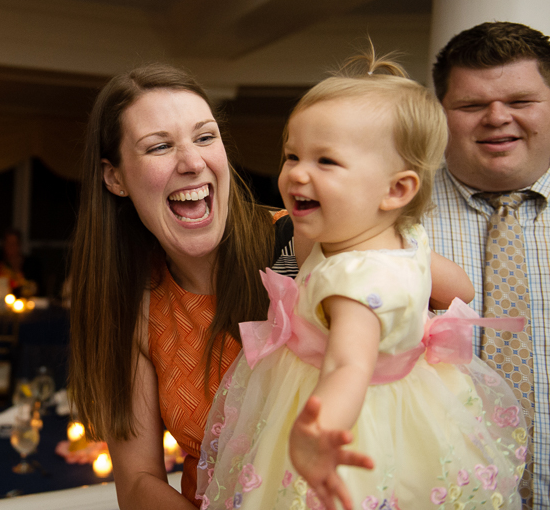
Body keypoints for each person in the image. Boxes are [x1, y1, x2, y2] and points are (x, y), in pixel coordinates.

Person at [197, 52, 526, 510]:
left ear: (396, 190)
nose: (297, 172)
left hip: (346, 422)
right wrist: (410, 324)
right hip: (413, 406)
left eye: (326, 161)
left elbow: (347, 366)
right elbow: (462, 291)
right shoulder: (406, 237)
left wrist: (320, 432)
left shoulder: (354, 284)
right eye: (292, 155)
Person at [67, 63, 301, 509]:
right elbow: (137, 482)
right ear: (114, 178)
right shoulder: (132, 304)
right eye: (159, 146)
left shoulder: (300, 246)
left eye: (205, 137)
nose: (193, 162)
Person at [424, 21, 550, 509]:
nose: (497, 118)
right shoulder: (390, 217)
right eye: (472, 105)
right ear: (443, 113)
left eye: (520, 102)